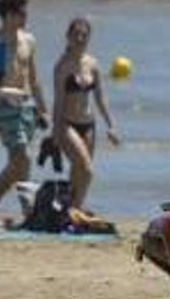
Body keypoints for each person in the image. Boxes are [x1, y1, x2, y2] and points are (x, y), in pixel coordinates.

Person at [0, 0, 49, 217]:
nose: (26, 17)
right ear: (7, 15)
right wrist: (7, 91)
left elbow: (34, 79)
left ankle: (22, 209)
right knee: (21, 156)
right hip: (4, 106)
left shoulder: (29, 41)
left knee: (22, 164)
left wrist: (44, 109)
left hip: (27, 107)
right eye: (21, 13)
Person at [51, 17, 120, 218]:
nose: (80, 38)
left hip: (88, 124)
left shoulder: (93, 63)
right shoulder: (62, 66)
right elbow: (59, 101)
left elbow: (100, 97)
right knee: (87, 169)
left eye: (84, 34)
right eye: (76, 34)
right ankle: (76, 209)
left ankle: (69, 209)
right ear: (68, 37)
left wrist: (111, 125)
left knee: (78, 171)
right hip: (67, 124)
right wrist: (55, 133)